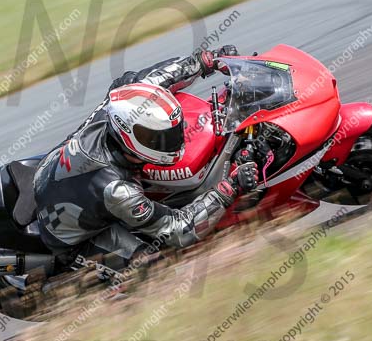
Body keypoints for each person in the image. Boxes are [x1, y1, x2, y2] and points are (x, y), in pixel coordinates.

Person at [33, 45, 258, 270]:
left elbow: (158, 77)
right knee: (156, 266)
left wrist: (206, 60)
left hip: (51, 170)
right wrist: (228, 189)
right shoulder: (118, 190)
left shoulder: (122, 101)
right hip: (69, 234)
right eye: (158, 138)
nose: (173, 141)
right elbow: (178, 230)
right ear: (131, 138)